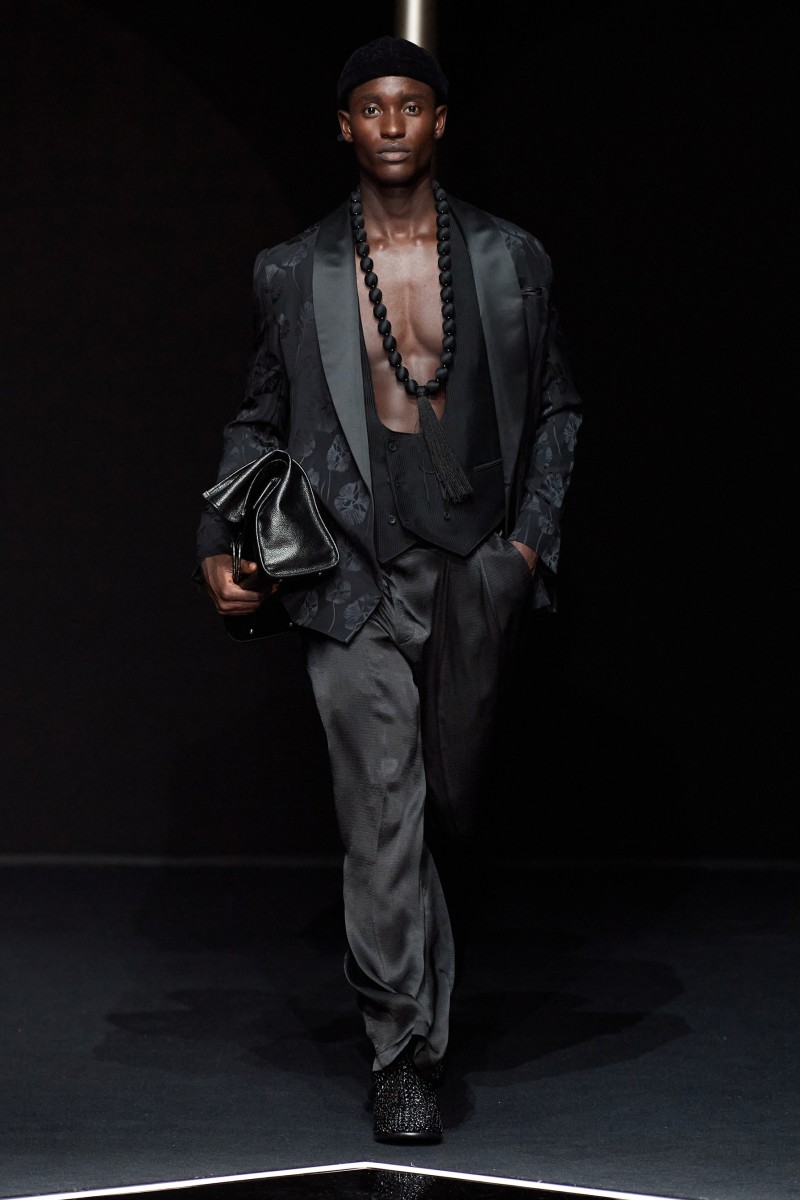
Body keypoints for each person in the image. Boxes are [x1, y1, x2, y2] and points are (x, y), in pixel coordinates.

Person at [196, 34, 583, 1144]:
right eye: (372, 107)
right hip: (348, 575)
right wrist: (216, 537)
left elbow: (557, 407)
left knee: (441, 806)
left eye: (411, 105)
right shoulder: (293, 269)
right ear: (345, 126)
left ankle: (414, 1014)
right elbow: (257, 419)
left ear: (439, 121)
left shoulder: (510, 259)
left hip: (471, 569)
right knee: (380, 807)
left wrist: (527, 549)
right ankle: (402, 1055)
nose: (393, 124)